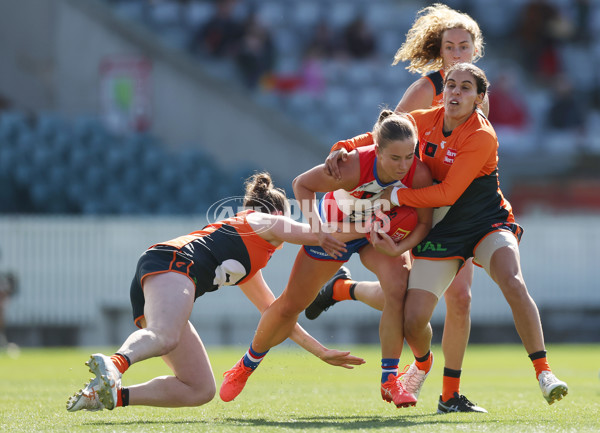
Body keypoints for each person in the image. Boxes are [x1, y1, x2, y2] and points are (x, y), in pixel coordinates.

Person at [333, 63, 570, 409]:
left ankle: (544, 372)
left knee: (512, 280)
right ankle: (424, 365)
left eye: (465, 88)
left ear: (479, 98)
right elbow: (384, 133)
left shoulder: (481, 134)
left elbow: (447, 194)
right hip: (442, 229)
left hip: (486, 221)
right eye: (451, 86)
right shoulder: (425, 119)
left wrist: (395, 197)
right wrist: (344, 146)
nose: (456, 93)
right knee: (414, 321)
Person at [308, 3, 489, 413]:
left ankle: (448, 395)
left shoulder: (478, 93)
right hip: (416, 202)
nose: (458, 54)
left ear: (475, 50)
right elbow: (388, 131)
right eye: (450, 47)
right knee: (407, 294)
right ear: (440, 51)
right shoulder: (428, 88)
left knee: (458, 299)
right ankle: (420, 372)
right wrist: (345, 148)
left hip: (456, 209)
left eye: (465, 46)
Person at [66, 172, 364, 412]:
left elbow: (277, 315)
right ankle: (115, 364)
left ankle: (108, 396)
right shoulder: (265, 221)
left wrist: (321, 352)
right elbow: (317, 235)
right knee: (165, 336)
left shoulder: (249, 261)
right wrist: (370, 227)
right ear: (278, 211)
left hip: (166, 272)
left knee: (199, 388)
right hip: (173, 263)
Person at [219, 110, 433, 408]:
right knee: (291, 305)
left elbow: (423, 223)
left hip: (374, 232)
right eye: (395, 158)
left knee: (398, 290)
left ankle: (389, 381)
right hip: (334, 231)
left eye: (409, 156)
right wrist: (319, 231)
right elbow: (301, 184)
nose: (403, 165)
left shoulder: (418, 173)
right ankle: (246, 365)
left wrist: (400, 249)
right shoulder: (354, 165)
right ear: (377, 149)